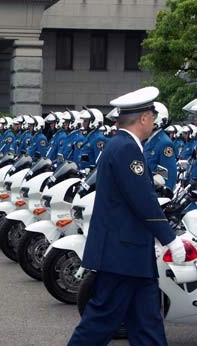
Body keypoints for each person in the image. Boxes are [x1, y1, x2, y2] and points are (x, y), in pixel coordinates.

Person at [67, 86, 186, 346]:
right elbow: (142, 201)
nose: (154, 122)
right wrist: (170, 238)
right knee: (98, 323)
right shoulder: (126, 149)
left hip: (131, 254)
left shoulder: (122, 145)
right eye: (152, 117)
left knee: (147, 326)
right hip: (122, 254)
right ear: (143, 118)